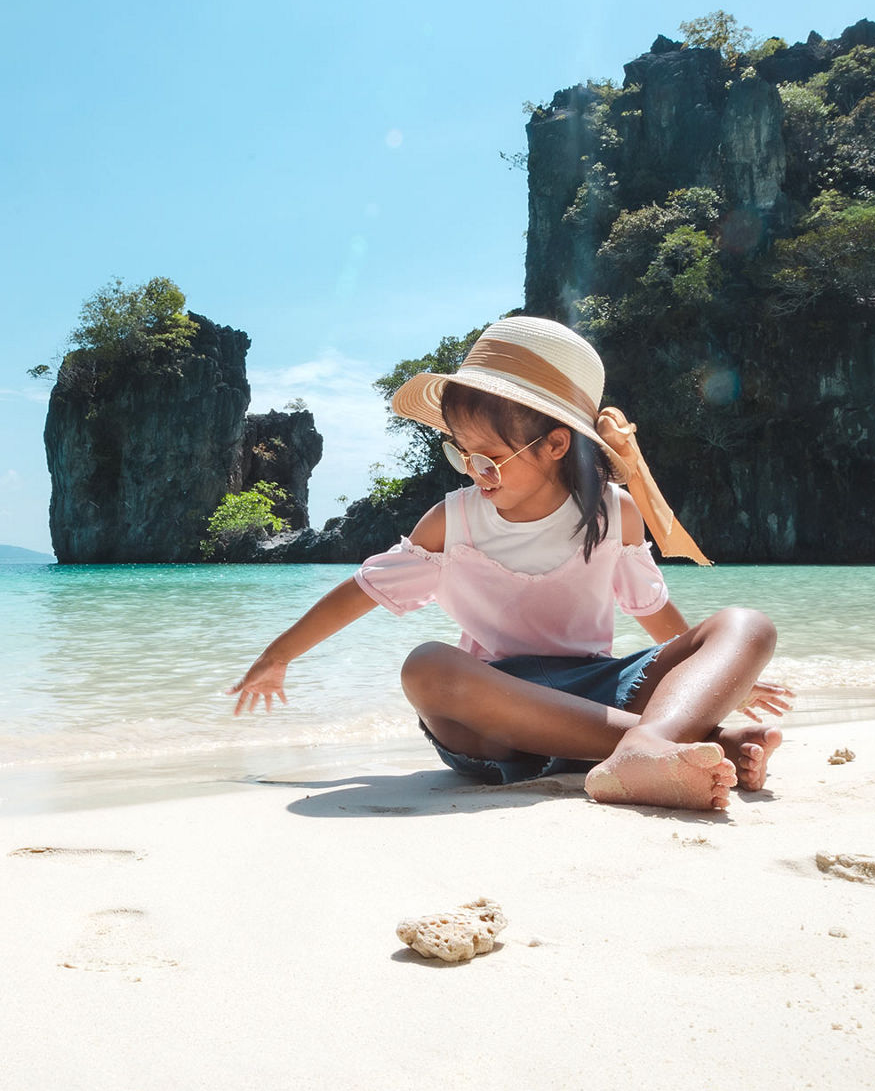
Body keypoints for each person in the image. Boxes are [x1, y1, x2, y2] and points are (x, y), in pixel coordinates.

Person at [229, 316, 791, 812]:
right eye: (464, 455)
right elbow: (363, 591)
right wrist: (276, 656)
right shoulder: (453, 521)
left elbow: (653, 610)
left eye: (493, 458)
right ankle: (691, 741)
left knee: (745, 625)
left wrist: (724, 679)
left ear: (555, 445)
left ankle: (653, 744)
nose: (477, 473)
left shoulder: (613, 512)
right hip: (499, 706)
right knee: (425, 665)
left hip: (598, 689)